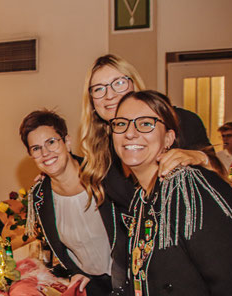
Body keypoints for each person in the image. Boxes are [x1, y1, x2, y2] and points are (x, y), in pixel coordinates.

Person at [67, 91, 232, 296]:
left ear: (169, 138)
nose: (130, 132)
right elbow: (141, 283)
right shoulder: (141, 199)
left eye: (145, 123)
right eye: (121, 124)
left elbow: (231, 286)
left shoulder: (190, 186)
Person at [20, 110, 125, 296]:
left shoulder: (100, 175)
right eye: (36, 148)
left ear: (66, 141)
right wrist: (75, 270)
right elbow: (59, 245)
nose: (45, 153)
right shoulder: (40, 194)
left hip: (129, 287)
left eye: (51, 142)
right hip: (92, 288)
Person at [79, 54, 221, 209]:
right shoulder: (100, 145)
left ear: (135, 85)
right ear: (92, 101)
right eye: (99, 89)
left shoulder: (179, 120)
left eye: (119, 83)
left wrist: (200, 158)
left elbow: (219, 180)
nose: (110, 95)